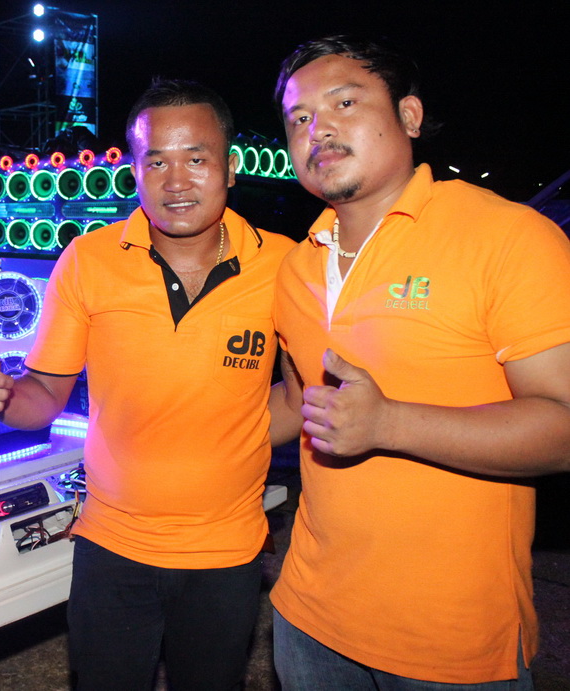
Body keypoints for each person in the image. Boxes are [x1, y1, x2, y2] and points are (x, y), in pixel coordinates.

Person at [0, 79, 294, 690]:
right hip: (112, 547)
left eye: (196, 158)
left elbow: (299, 398)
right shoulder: (87, 261)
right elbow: (44, 395)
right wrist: (4, 398)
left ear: (230, 167)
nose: (176, 181)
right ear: (133, 172)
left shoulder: (283, 265)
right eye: (156, 161)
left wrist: (232, 435)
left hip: (228, 552)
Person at [268, 35, 570, 688]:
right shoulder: (294, 268)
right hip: (307, 619)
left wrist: (390, 423)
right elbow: (296, 403)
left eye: (344, 103)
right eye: (299, 118)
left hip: (453, 642)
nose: (317, 129)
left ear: (408, 115)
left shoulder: (507, 237)